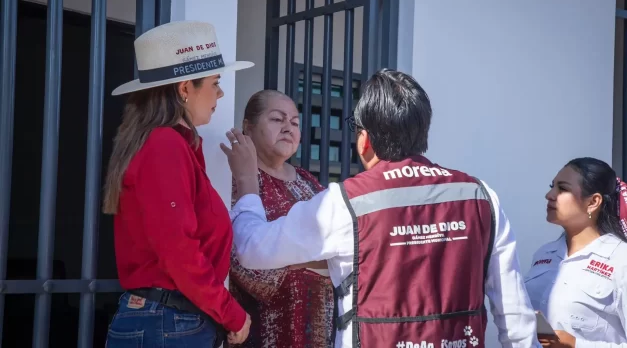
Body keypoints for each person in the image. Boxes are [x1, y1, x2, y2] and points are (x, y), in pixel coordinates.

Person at [221, 69, 541, 348]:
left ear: (365, 140)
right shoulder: (480, 197)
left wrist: (247, 184)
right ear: (423, 131)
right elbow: (514, 317)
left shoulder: (346, 202)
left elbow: (252, 249)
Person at [102, 20, 254, 347]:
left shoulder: (173, 145)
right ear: (185, 89)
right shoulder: (164, 145)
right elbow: (179, 251)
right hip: (169, 323)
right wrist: (232, 313)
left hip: (167, 320)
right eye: (214, 83)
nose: (221, 93)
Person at [227, 90, 335, 348]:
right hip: (263, 331)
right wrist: (318, 259)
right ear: (247, 127)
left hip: (320, 327)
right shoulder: (237, 180)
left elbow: (340, 251)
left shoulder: (309, 183)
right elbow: (249, 268)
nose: (288, 128)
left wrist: (295, 259)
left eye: (295, 123)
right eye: (277, 119)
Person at [525, 157, 627, 348]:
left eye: (562, 189)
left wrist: (575, 344)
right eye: (552, 186)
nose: (549, 195)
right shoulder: (544, 254)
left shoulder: (621, 259)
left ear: (593, 202)